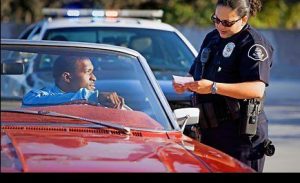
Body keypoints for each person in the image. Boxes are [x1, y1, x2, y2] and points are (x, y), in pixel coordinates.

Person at [173, 0, 274, 172]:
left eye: (227, 22)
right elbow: (195, 73)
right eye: (216, 19)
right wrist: (186, 84)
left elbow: (256, 89)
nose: (220, 26)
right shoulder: (212, 38)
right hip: (209, 132)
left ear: (243, 19)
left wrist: (213, 87)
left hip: (239, 136)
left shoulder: (253, 43)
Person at [22, 55, 126, 109]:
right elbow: (28, 101)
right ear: (67, 77)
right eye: (88, 72)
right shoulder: (40, 96)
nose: (94, 78)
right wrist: (92, 97)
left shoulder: (98, 102)